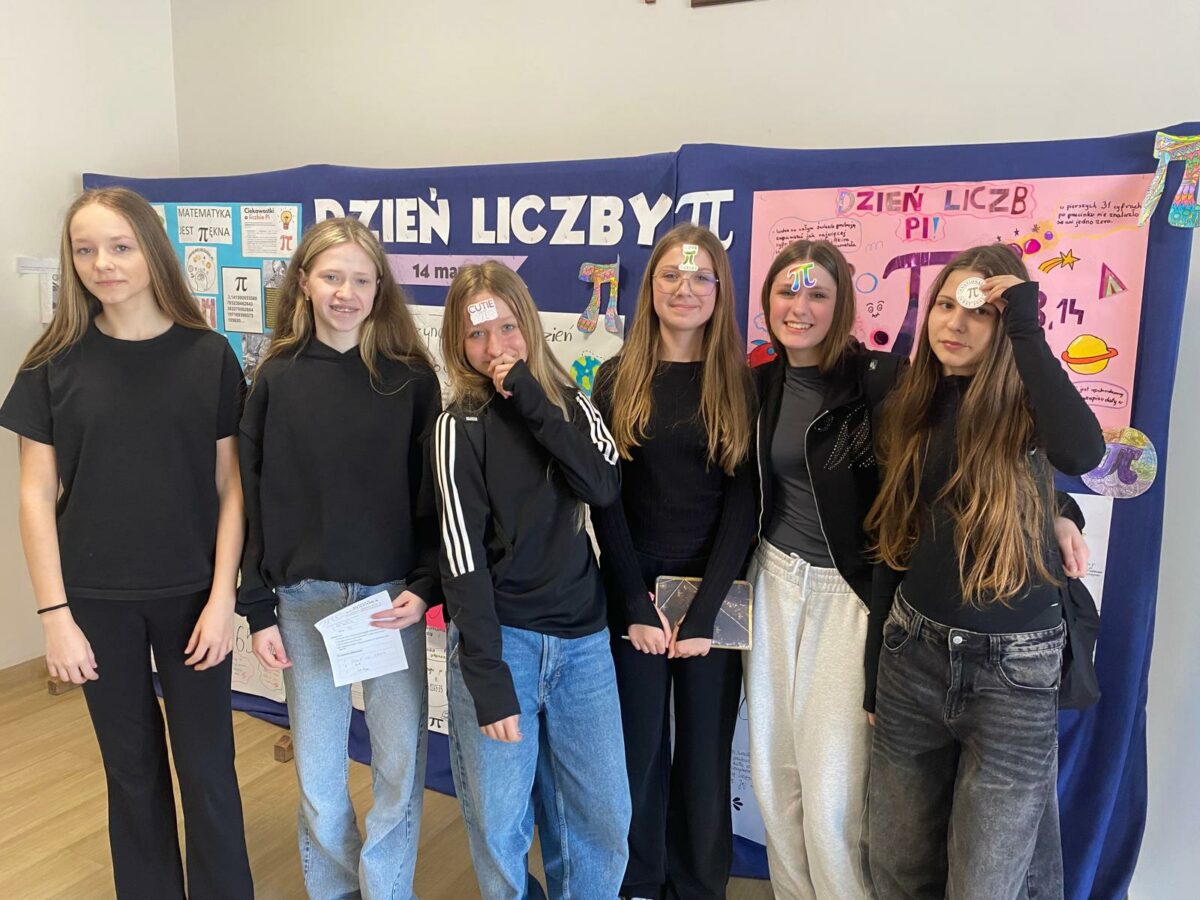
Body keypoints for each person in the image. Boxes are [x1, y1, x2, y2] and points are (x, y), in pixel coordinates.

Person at [0, 187, 253, 898]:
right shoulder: (51, 361)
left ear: (152, 251)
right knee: (131, 770)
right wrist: (54, 616)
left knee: (208, 769)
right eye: (85, 250)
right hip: (94, 601)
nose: (102, 263)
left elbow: (232, 486)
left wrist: (223, 598)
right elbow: (34, 495)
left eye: (120, 246)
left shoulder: (208, 355)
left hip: (192, 597)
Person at [864, 244, 1105, 899]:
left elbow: (1082, 452)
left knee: (985, 883)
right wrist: (873, 679)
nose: (955, 323)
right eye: (945, 304)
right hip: (912, 656)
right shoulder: (908, 402)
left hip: (1014, 674)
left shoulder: (1026, 404)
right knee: (897, 867)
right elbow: (892, 543)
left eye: (979, 311)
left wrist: (1025, 322)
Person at [238, 217, 441, 900]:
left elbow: (432, 496)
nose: (345, 292)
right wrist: (257, 607)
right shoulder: (275, 379)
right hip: (304, 605)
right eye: (331, 277)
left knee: (398, 766)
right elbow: (253, 498)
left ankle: (387, 890)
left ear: (379, 288)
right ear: (304, 282)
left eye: (360, 279)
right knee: (319, 776)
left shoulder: (412, 380)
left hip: (389, 603)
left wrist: (425, 582)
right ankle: (334, 890)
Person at [434, 261, 630, 899]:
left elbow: (602, 485)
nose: (494, 347)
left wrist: (531, 397)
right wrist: (488, 678)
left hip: (582, 644)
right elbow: (460, 556)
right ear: (458, 343)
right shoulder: (457, 425)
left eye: (507, 328)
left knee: (603, 818)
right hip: (504, 645)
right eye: (476, 334)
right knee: (501, 826)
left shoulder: (570, 402)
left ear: (530, 325)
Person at [591, 223, 756, 900]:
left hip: (714, 600)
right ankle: (638, 879)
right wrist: (634, 603)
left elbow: (744, 506)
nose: (685, 289)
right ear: (651, 288)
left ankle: (698, 884)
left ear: (719, 291)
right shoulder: (615, 377)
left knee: (704, 756)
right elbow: (606, 501)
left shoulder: (741, 384)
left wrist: (705, 613)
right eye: (671, 276)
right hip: (634, 596)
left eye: (699, 277)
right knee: (637, 750)